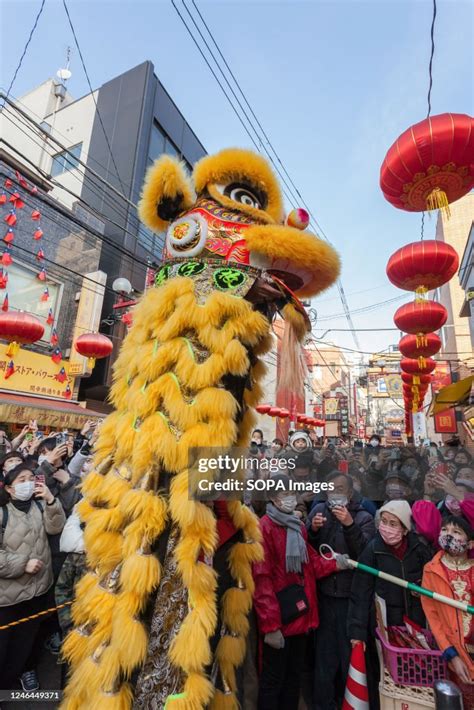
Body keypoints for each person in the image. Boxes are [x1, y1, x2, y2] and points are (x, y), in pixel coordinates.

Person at [252, 474, 348, 710]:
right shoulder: (264, 528)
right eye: (284, 494)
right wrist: (271, 626)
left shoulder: (296, 527)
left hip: (301, 616)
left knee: (294, 678)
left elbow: (311, 563)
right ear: (273, 498)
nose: (290, 498)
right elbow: (262, 579)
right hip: (280, 618)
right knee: (273, 680)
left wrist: (336, 563)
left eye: (291, 493)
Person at [347, 500, 433, 709]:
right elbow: (360, 593)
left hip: (415, 629)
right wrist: (357, 632)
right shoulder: (373, 550)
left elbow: (431, 585)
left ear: (404, 528)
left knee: (415, 681)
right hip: (383, 630)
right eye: (383, 521)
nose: (386, 528)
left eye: (393, 523)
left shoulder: (419, 549)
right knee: (385, 679)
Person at [307, 472, 375, 710]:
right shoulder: (320, 512)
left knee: (350, 657)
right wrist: (313, 530)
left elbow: (366, 554)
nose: (334, 493)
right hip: (325, 595)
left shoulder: (364, 517)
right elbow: (311, 552)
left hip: (352, 599)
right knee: (324, 659)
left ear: (349, 492)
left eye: (339, 488)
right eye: (330, 488)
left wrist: (349, 524)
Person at [0, 463, 65, 690]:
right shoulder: (3, 513)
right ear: (9, 488)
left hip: (39, 589)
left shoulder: (39, 506)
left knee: (28, 641)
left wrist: (50, 500)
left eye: (31, 478)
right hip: (9, 596)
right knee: (5, 645)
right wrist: (22, 564)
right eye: (21, 480)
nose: (27, 483)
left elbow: (56, 528)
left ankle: (26, 672)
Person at [421, 516, 474, 704]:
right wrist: (451, 655)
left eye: (456, 532)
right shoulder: (431, 570)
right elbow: (433, 618)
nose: (449, 535)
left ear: (470, 544)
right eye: (445, 530)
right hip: (455, 656)